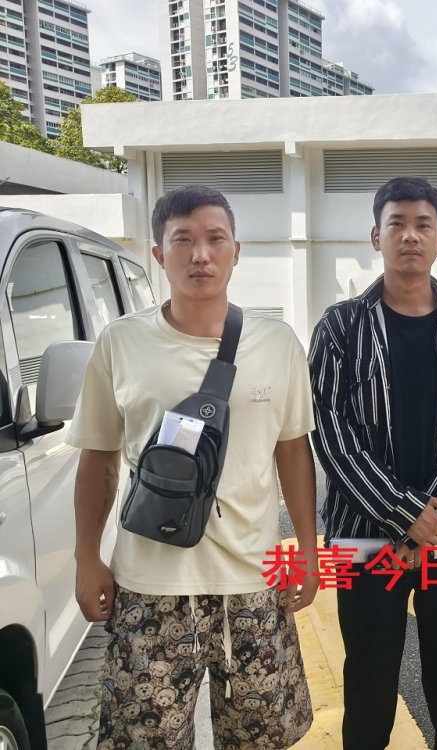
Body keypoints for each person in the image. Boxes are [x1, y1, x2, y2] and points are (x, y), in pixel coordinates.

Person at [71, 185, 319, 749]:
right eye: (182, 240)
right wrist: (87, 557)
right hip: (148, 586)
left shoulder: (277, 344)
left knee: (260, 741)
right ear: (159, 254)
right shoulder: (121, 343)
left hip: (254, 583)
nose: (200, 254)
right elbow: (98, 458)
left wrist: (305, 549)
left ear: (236, 251)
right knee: (144, 742)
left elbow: (293, 451)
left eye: (214, 238)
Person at [309, 176, 437, 750]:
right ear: (376, 236)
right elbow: (331, 435)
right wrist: (403, 514)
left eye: (423, 225)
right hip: (365, 540)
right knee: (369, 686)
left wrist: (428, 520)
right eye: (397, 223)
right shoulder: (339, 328)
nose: (410, 235)